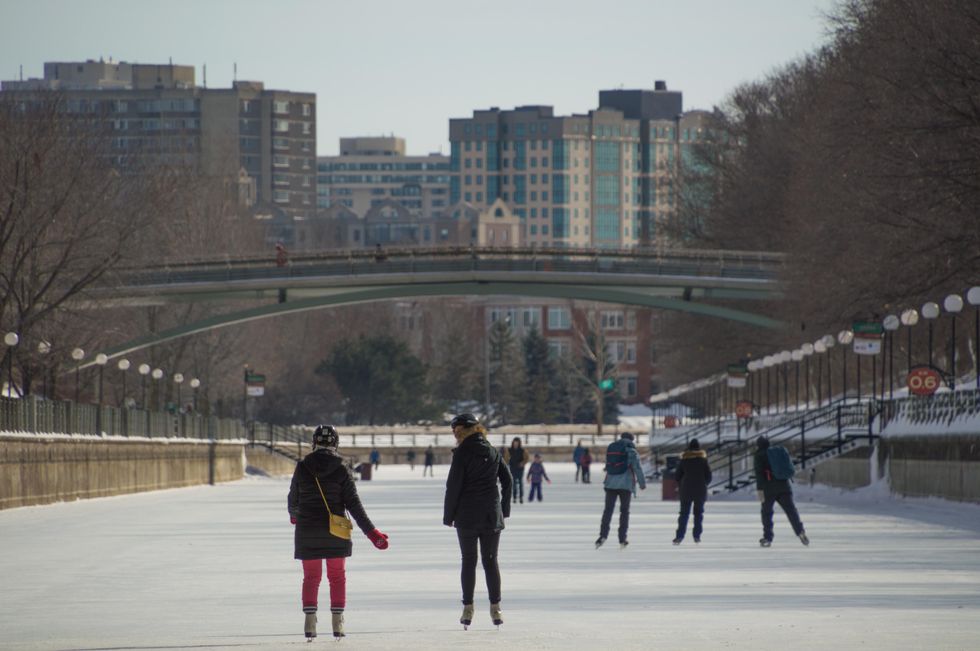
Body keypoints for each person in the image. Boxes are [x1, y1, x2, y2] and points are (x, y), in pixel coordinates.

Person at [288, 425, 390, 640]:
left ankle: (309, 622)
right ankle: (338, 622)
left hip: (307, 529)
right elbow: (354, 505)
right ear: (335, 443)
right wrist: (373, 534)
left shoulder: (302, 467)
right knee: (337, 577)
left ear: (314, 442)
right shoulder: (342, 468)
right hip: (336, 530)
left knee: (311, 577)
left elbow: (293, 500)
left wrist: (296, 516)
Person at [443, 413, 512, 629]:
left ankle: (468, 607)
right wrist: (504, 509)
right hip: (491, 515)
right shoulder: (492, 451)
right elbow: (508, 480)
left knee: (469, 560)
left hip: (467, 515)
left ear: (466, 429)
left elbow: (453, 486)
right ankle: (495, 607)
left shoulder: (462, 453)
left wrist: (449, 515)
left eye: (456, 429)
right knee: (490, 560)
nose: (454, 433)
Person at [754, 436, 809, 547]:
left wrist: (760, 490)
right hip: (784, 486)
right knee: (791, 511)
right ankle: (800, 531)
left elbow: (759, 474)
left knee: (767, 513)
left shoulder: (759, 455)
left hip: (768, 489)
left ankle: (768, 538)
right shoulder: (777, 452)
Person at [596, 432, 646, 549]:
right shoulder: (632, 451)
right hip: (625, 485)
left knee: (608, 510)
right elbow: (637, 468)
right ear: (632, 440)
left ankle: (602, 536)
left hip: (610, 484)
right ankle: (622, 538)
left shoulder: (613, 447)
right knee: (624, 512)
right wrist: (642, 483)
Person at [672, 438, 712, 544]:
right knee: (698, 514)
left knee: (684, 514)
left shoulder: (684, 460)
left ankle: (679, 536)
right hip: (700, 491)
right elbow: (709, 476)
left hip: (686, 491)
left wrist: (682, 485)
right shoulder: (703, 461)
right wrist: (704, 484)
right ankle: (697, 536)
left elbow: (677, 476)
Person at [504, 437, 529, 504]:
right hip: (513, 468)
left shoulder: (523, 450)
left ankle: (521, 497)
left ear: (519, 443)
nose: (515, 444)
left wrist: (522, 463)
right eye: (514, 443)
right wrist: (507, 463)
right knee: (514, 483)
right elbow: (506, 458)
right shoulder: (509, 450)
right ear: (513, 443)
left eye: (517, 443)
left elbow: (526, 458)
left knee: (520, 483)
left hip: (520, 469)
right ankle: (514, 497)